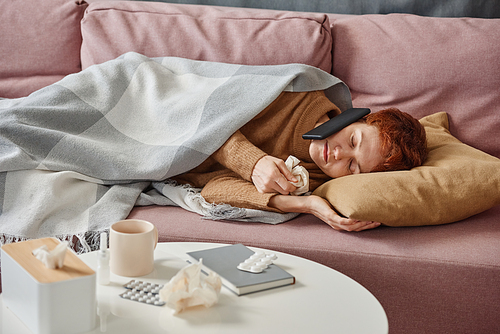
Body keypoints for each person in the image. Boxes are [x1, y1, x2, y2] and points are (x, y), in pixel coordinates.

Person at [173, 90, 427, 232]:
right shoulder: (299, 97)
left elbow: (213, 189)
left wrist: (309, 205)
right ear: (356, 119)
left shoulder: (312, 177)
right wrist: (253, 162)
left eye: (352, 166)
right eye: (352, 141)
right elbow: (208, 111)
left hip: (178, 165)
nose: (339, 154)